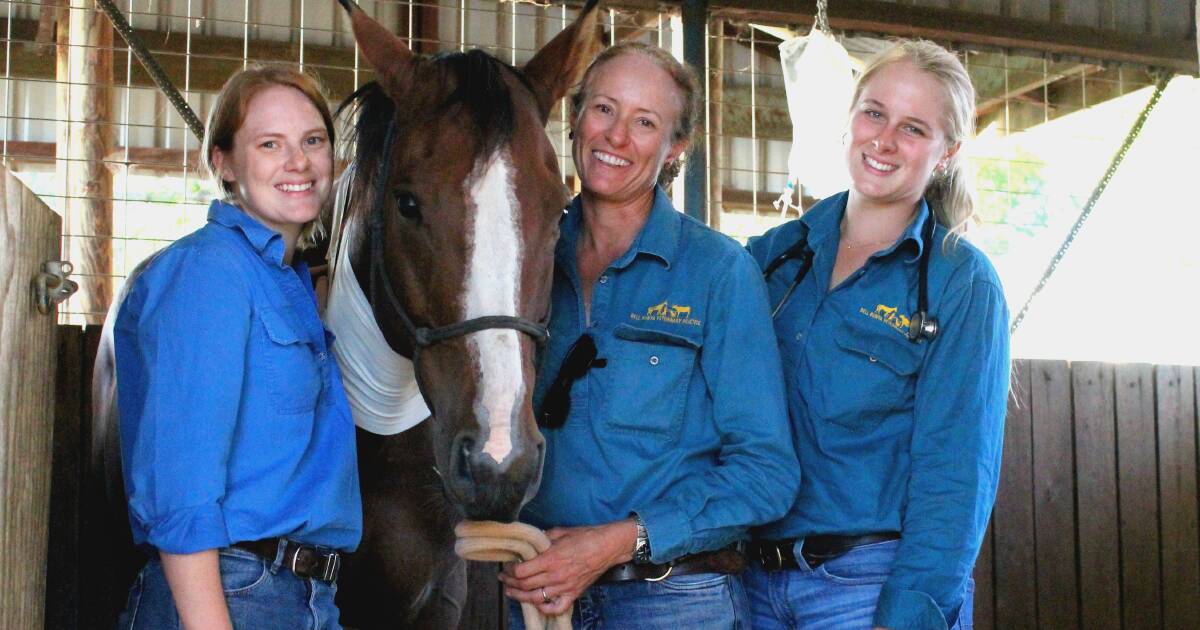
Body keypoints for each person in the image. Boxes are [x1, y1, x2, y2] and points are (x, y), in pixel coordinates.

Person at [498, 42, 799, 629]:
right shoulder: (521, 260)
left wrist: (615, 543)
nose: (616, 137)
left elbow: (766, 473)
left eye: (645, 123)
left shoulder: (717, 271)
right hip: (538, 599)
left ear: (674, 148)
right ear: (577, 117)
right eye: (604, 110)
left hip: (675, 601)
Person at [744, 40, 1010, 630]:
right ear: (850, 119)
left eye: (914, 128)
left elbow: (957, 477)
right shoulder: (768, 259)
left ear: (947, 153)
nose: (884, 140)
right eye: (874, 113)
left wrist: (910, 615)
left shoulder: (960, 283)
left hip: (867, 587)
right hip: (750, 584)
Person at [113, 66, 360, 630]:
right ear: (223, 162)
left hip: (303, 595)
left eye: (313, 141)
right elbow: (180, 488)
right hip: (230, 593)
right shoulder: (209, 272)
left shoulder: (285, 279)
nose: (298, 162)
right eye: (269, 144)